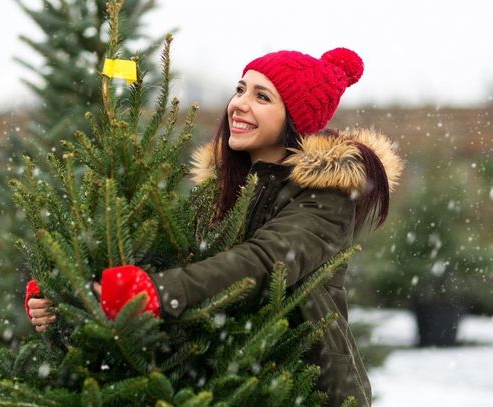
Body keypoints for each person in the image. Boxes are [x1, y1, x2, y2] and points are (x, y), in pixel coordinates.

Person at [26, 47, 403, 406]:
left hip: (306, 387)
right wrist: (70, 296)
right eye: (240, 89)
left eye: (262, 97)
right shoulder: (222, 190)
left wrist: (153, 292)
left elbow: (262, 263)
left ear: (294, 120)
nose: (239, 103)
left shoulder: (327, 197)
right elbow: (182, 262)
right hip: (225, 381)